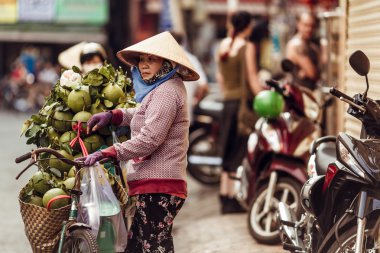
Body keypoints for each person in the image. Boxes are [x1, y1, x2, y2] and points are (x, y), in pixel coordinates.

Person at [76, 31, 200, 252]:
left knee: (153, 246)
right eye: (142, 59)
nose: (144, 65)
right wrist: (114, 115)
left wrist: (109, 152)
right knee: (139, 246)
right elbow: (143, 113)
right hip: (152, 184)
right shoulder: (161, 89)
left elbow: (150, 139)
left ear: (167, 63)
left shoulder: (167, 92)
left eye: (151, 59)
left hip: (160, 184)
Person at [215, 11, 260, 214]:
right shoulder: (247, 47)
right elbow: (252, 80)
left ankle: (224, 197)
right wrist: (265, 94)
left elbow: (220, 79)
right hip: (242, 106)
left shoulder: (223, 46)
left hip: (227, 104)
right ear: (248, 26)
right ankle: (232, 199)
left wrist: (228, 94)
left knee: (226, 150)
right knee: (238, 150)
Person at [171, 31, 209, 125]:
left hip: (167, 116)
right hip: (185, 115)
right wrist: (194, 102)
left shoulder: (165, 59)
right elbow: (204, 86)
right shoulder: (191, 59)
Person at [285, 11, 327, 91]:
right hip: (300, 94)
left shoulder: (312, 46)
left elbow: (323, 66)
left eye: (312, 26)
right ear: (299, 24)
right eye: (306, 25)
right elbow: (313, 74)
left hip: (310, 92)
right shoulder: (297, 45)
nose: (309, 29)